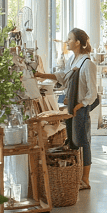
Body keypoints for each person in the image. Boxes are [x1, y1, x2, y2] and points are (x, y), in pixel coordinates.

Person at [35, 28, 97, 190]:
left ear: (77, 42)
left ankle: (86, 179)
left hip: (80, 108)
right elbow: (63, 76)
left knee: (83, 142)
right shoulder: (72, 60)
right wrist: (42, 75)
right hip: (72, 107)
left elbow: (92, 93)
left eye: (69, 39)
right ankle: (78, 176)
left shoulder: (87, 63)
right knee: (73, 141)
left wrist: (79, 105)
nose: (66, 41)